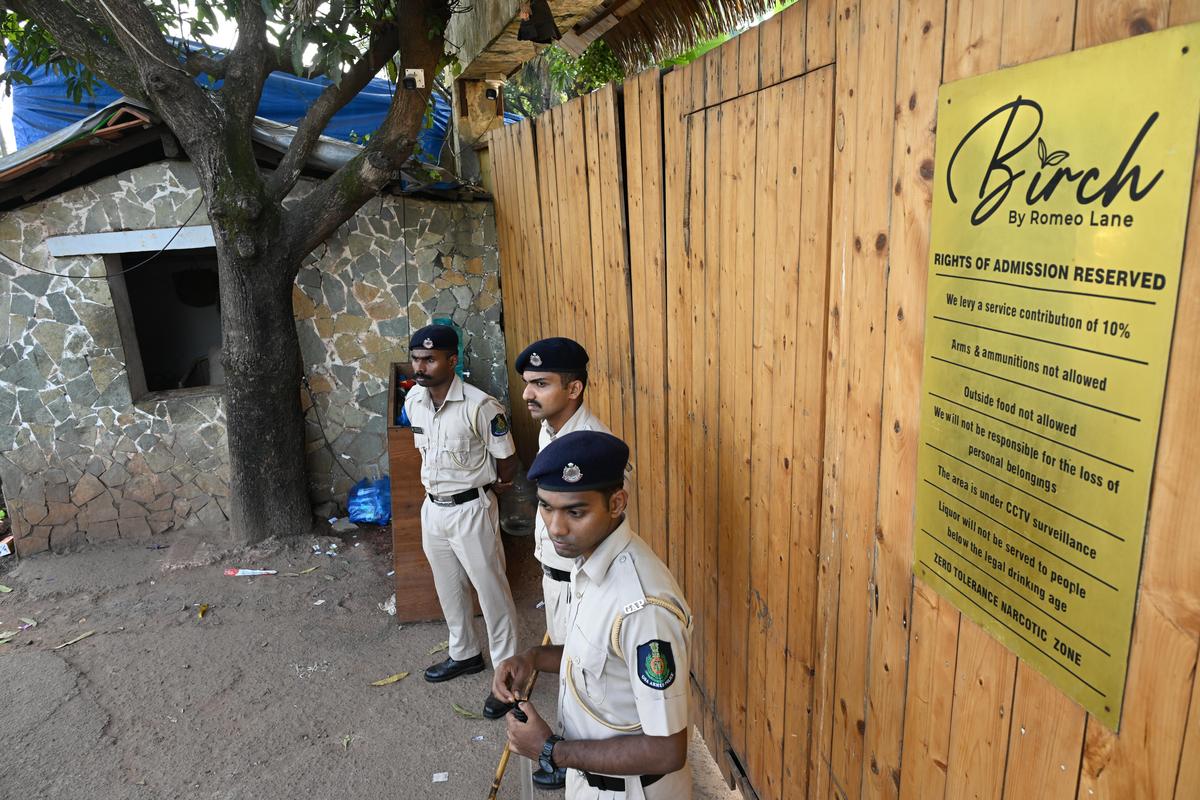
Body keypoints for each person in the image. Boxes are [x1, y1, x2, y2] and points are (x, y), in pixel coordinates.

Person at [493, 431, 693, 799]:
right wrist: (531, 658)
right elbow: (597, 656)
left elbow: (667, 751)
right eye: (546, 507)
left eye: (575, 511)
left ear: (616, 503)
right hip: (590, 779)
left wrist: (551, 750)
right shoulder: (591, 560)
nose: (556, 527)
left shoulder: (643, 609)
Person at [403, 323, 521, 719]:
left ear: (452, 360)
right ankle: (464, 653)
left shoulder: (480, 405)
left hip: (472, 508)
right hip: (432, 508)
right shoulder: (414, 402)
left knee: (491, 592)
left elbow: (507, 459)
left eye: (430, 359)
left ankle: (507, 677)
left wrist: (497, 489)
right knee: (448, 587)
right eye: (416, 358)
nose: (421, 366)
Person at [515, 337, 614, 646]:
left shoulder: (595, 447)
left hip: (581, 583)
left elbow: (607, 523)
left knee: (581, 676)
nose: (526, 394)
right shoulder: (550, 429)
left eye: (540, 384)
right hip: (555, 576)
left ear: (574, 390)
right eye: (527, 383)